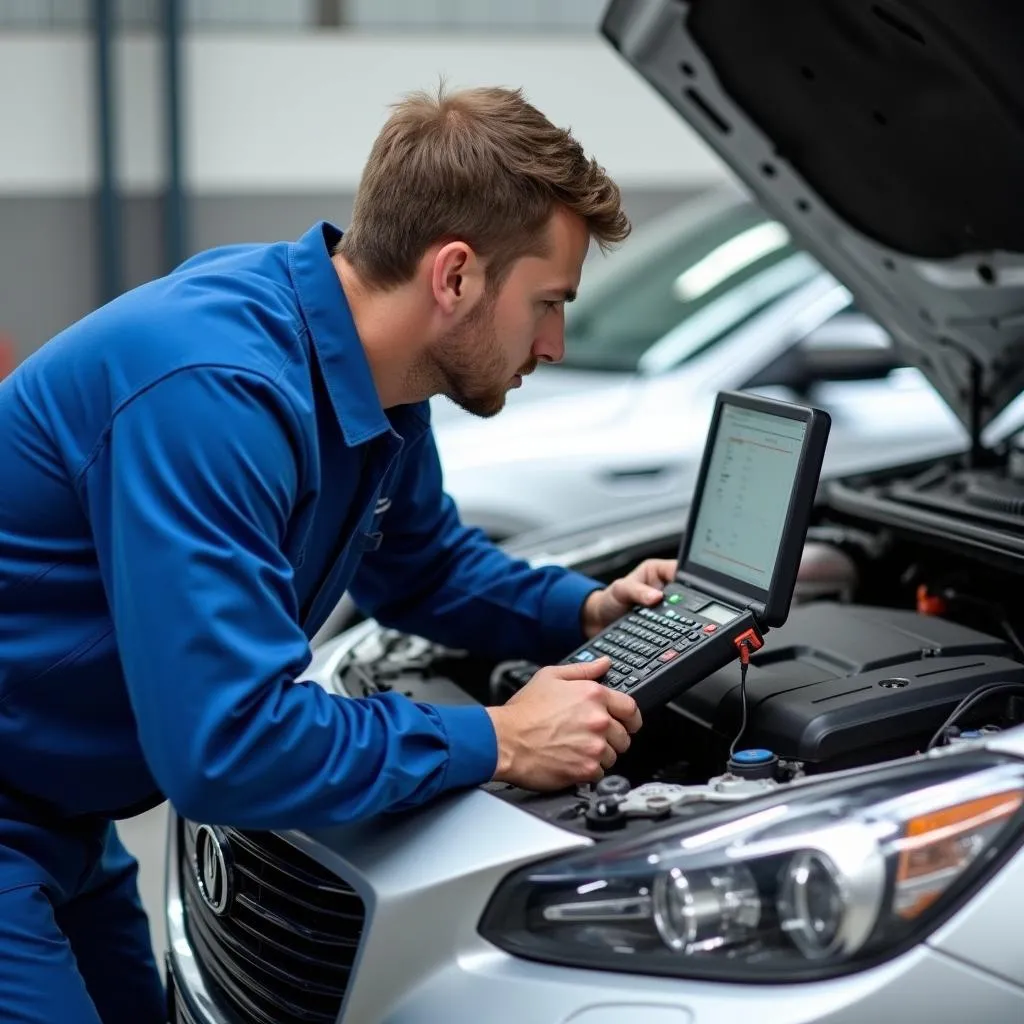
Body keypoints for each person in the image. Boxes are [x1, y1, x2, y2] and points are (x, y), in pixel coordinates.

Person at [0, 85, 678, 1022]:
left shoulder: (378, 382)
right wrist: (501, 738)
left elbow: (425, 567)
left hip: (60, 811)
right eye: (548, 302)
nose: (555, 343)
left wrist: (586, 609)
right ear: (455, 276)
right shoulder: (216, 393)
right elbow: (228, 745)